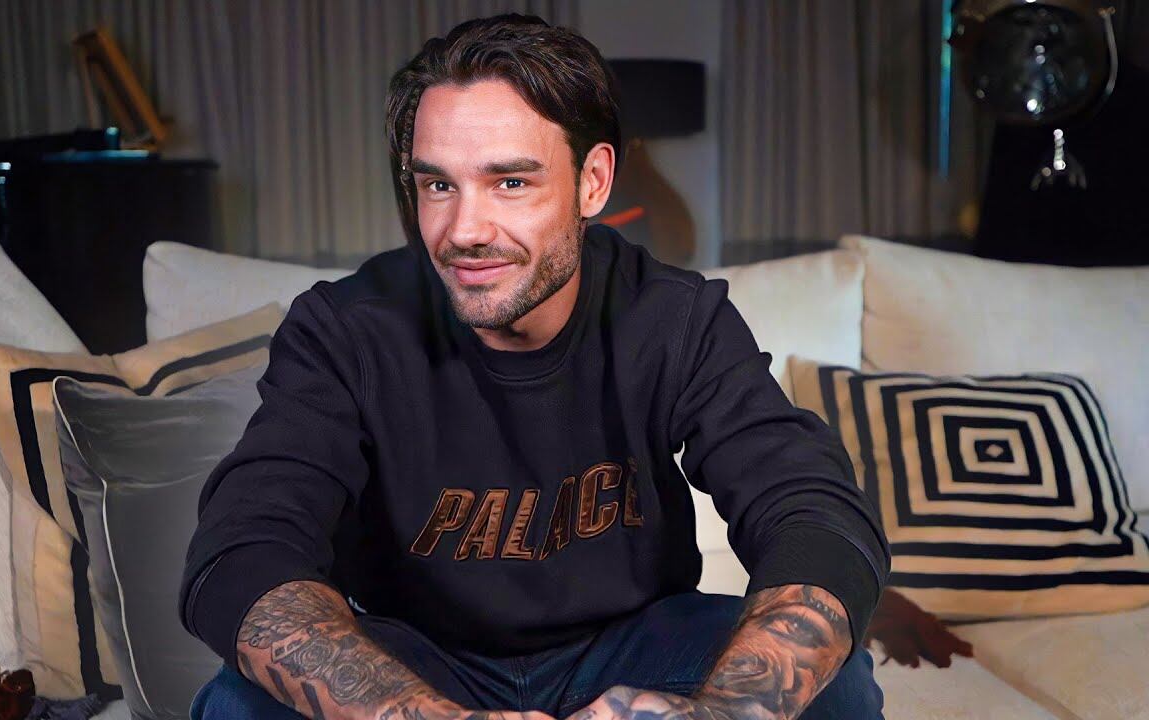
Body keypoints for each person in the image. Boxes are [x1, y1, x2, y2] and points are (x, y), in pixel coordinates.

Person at [180, 13, 891, 720]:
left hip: (634, 647)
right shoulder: (343, 332)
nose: (464, 231)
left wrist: (721, 716)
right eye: (438, 186)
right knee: (240, 705)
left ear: (593, 182)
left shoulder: (674, 319)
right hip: (418, 662)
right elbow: (243, 549)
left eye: (511, 183)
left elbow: (812, 511)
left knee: (834, 686)